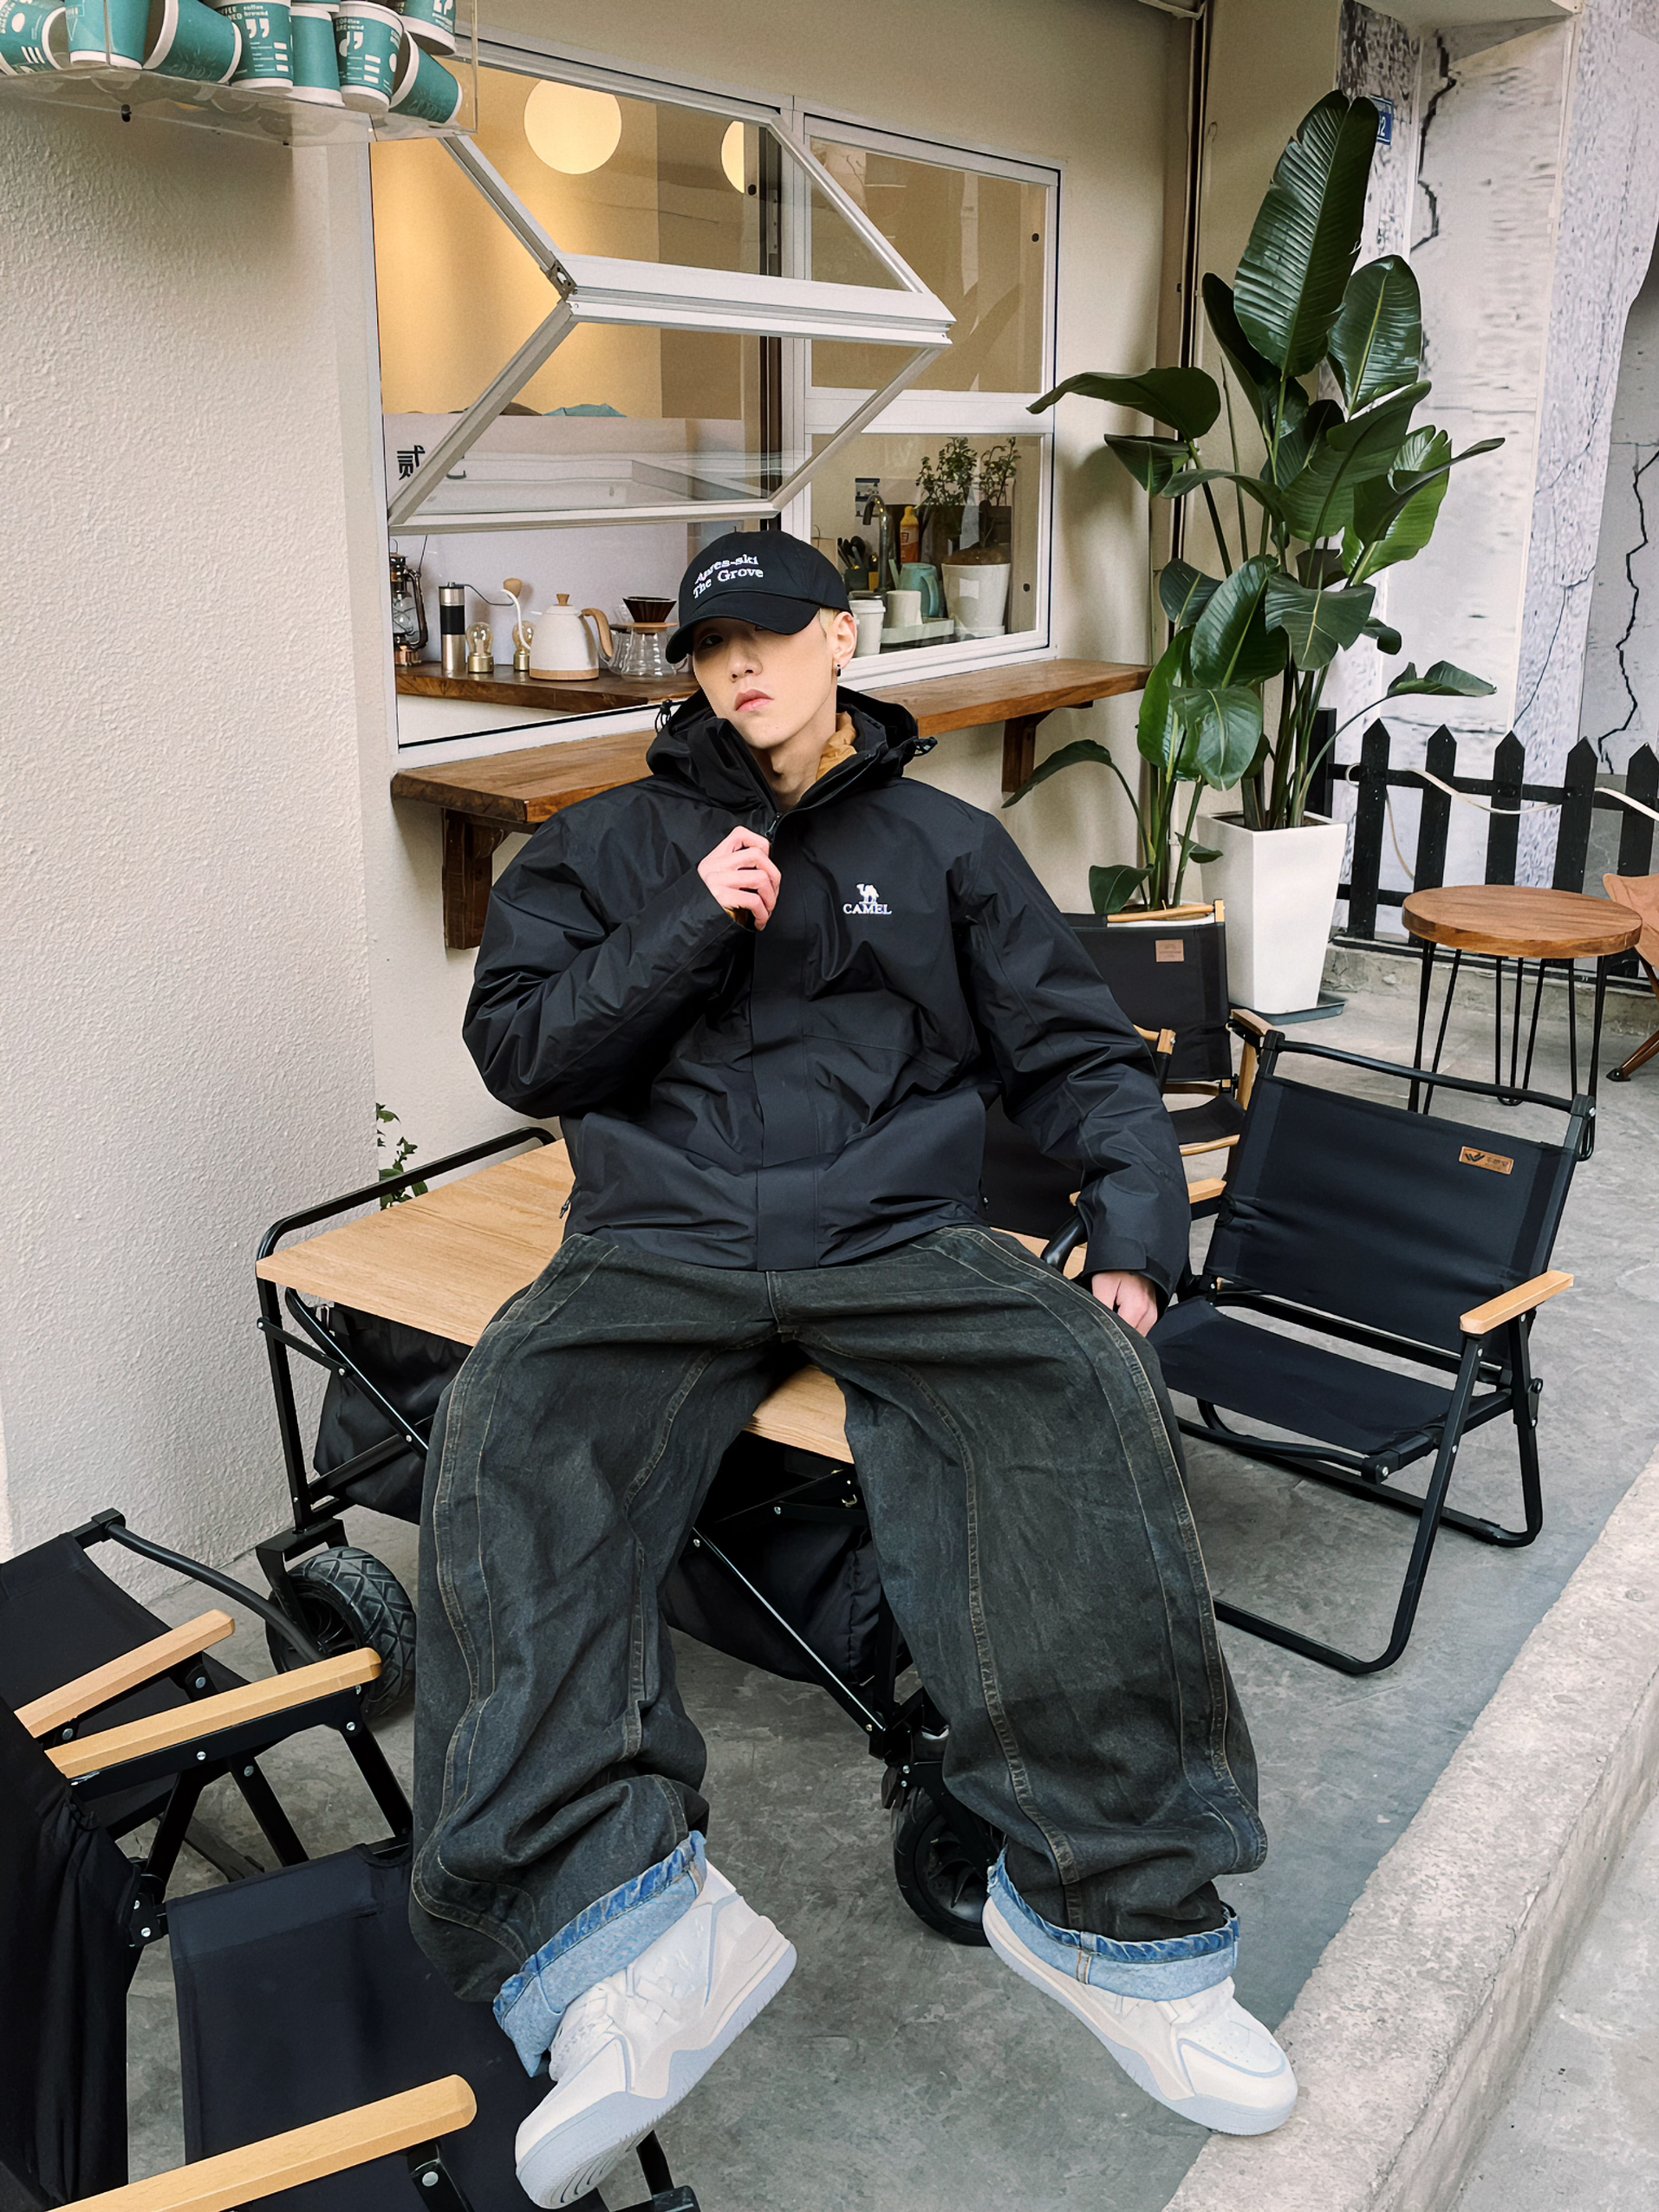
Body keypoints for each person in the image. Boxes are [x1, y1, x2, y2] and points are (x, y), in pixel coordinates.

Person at [411, 530, 1295, 2209]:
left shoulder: (946, 848)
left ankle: (1119, 1929)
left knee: (1083, 1392)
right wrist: (688, 920)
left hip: (895, 1233)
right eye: (708, 647)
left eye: (769, 634)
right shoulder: (600, 846)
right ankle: (619, 1948)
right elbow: (521, 1047)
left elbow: (1080, 1053)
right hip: (658, 1239)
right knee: (506, 1433)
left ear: (843, 637)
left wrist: (1130, 1229)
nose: (738, 667)